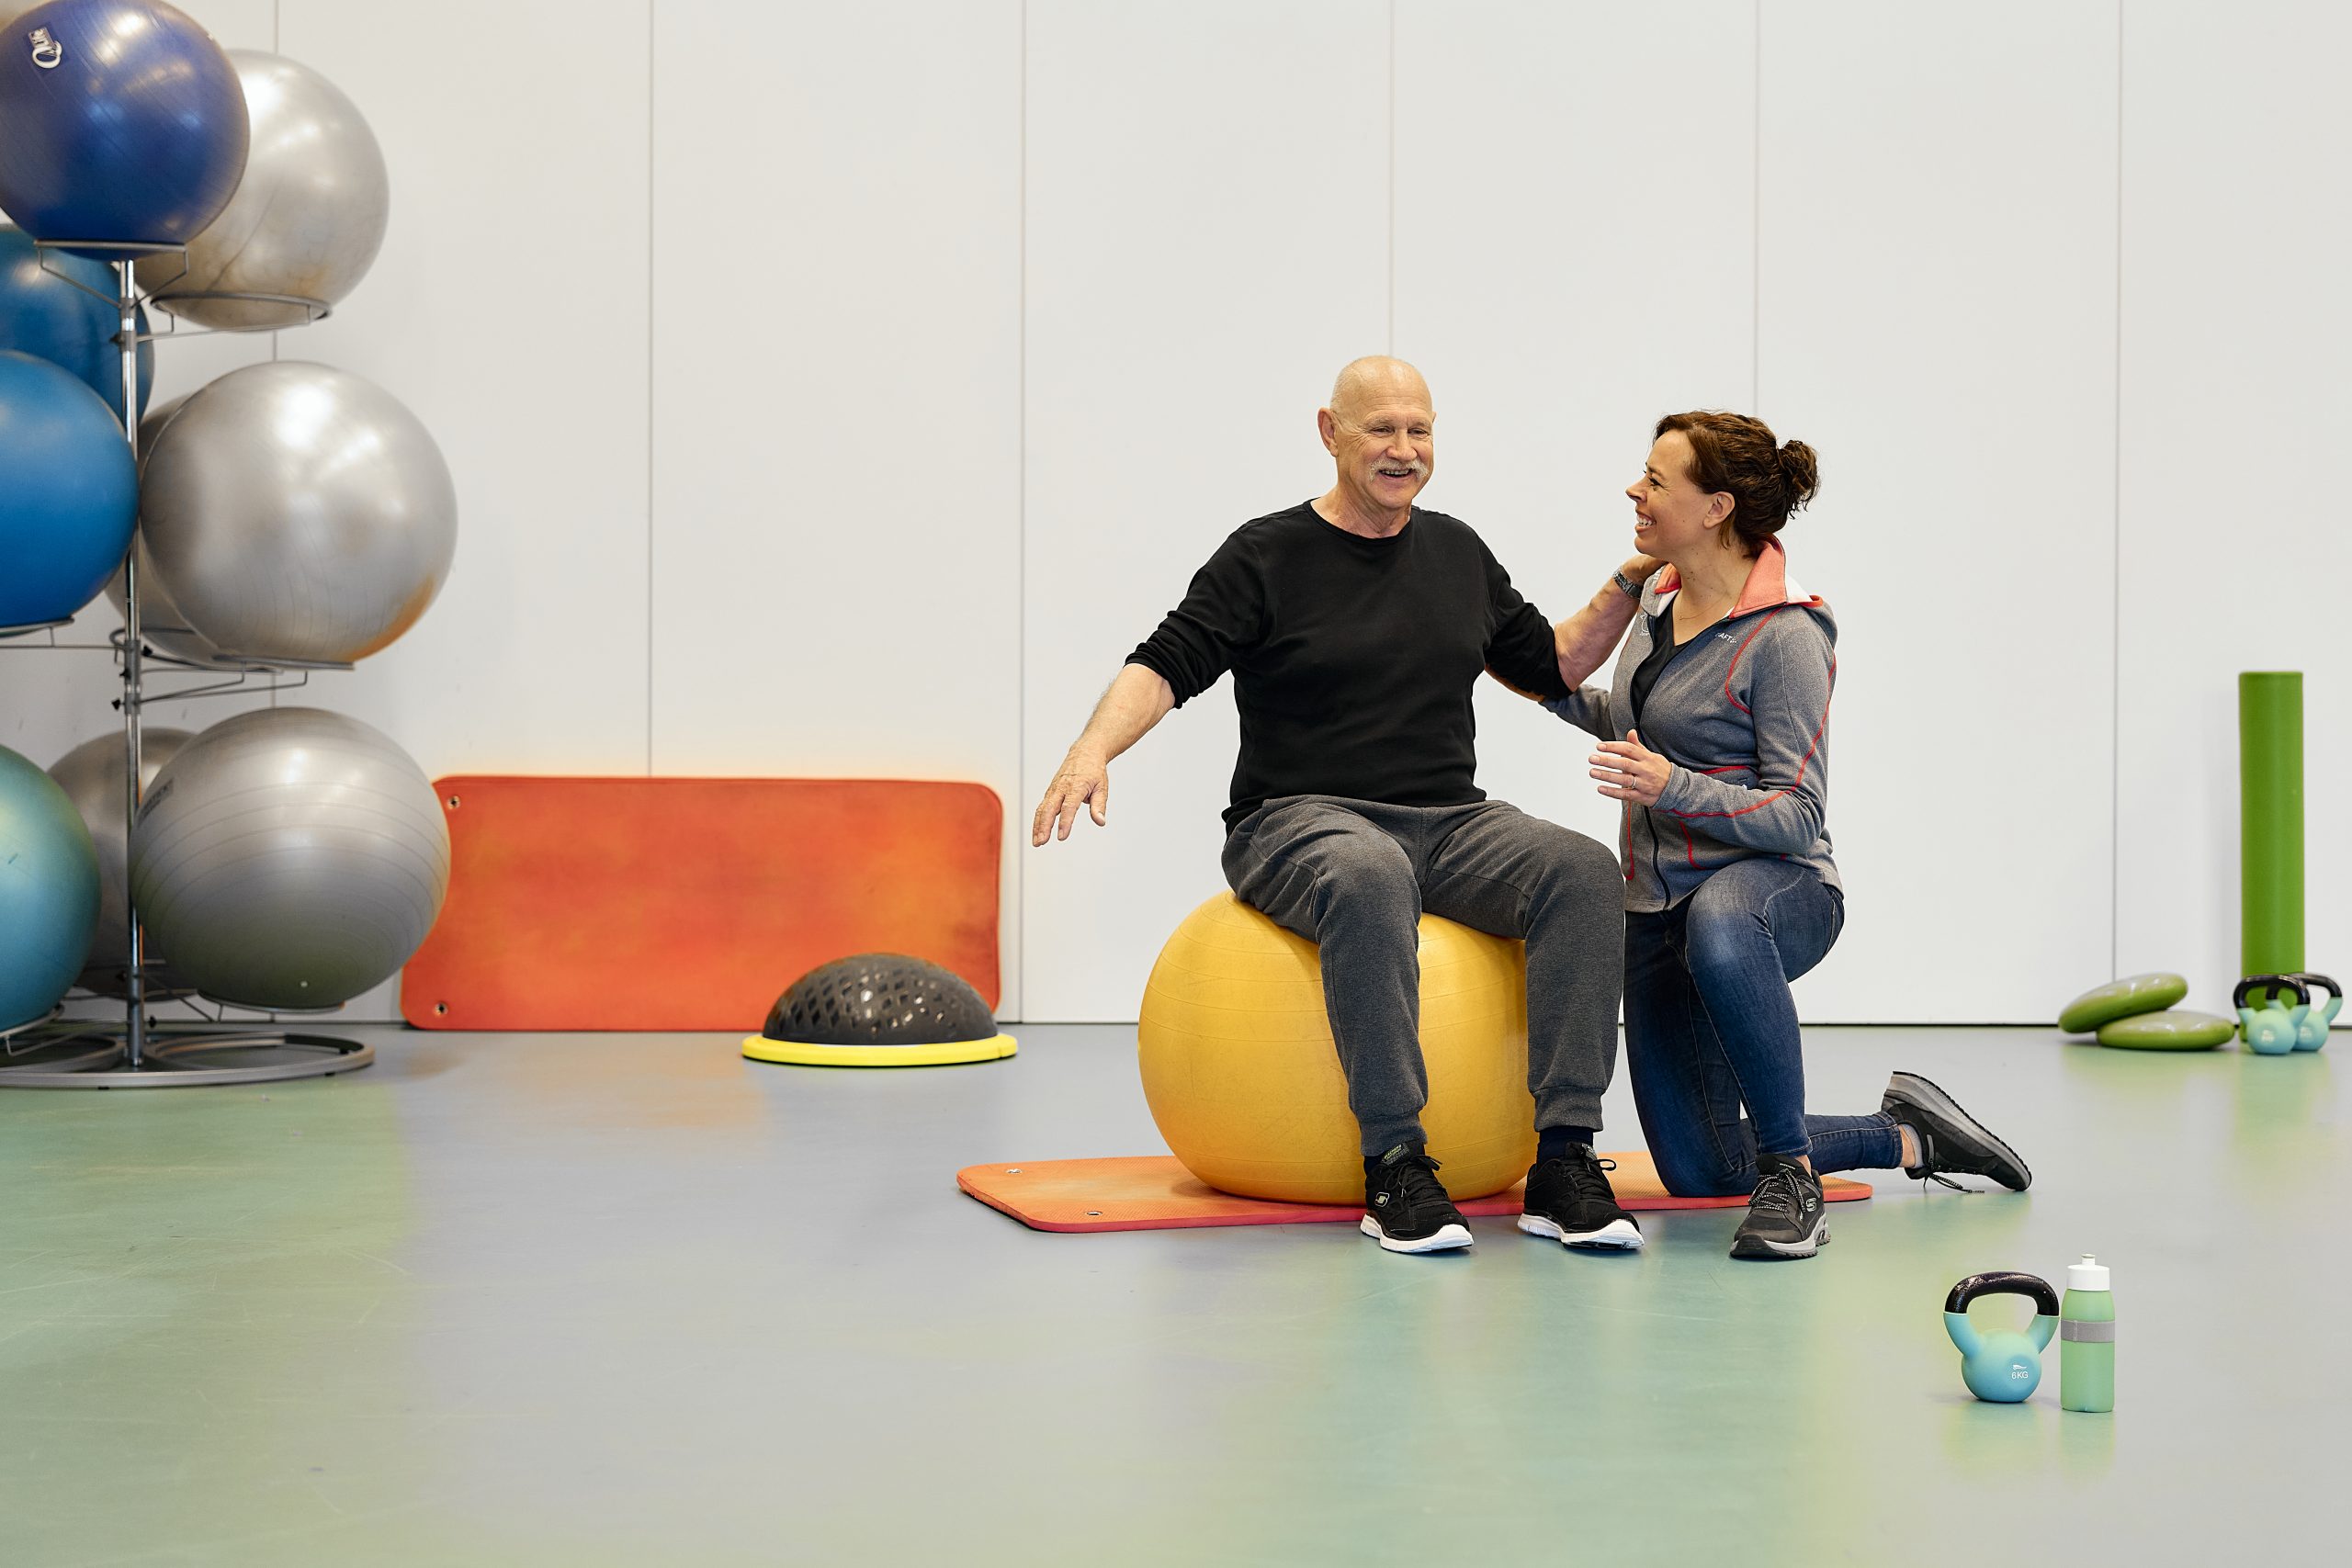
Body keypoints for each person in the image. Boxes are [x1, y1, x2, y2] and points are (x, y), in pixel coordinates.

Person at [1033, 356, 1655, 1255]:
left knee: (1581, 870)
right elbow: (1165, 662)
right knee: (1367, 872)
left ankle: (1563, 1160)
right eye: (1381, 430)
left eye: (1420, 430)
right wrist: (1091, 748)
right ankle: (1396, 1164)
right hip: (1293, 819)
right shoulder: (1267, 554)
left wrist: (1635, 576)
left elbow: (1549, 666)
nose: (1403, 450)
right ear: (1330, 432)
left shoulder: (1456, 553)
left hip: (1447, 822)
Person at [1551, 412, 2030, 1261]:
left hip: (1777, 892)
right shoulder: (1659, 602)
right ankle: (1907, 1134)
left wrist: (1673, 786)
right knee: (1700, 1166)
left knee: (1724, 919)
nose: (1636, 490)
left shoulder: (1787, 638)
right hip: (1660, 908)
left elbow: (1798, 812)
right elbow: (1622, 717)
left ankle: (1793, 1181)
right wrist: (1515, 670)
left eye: (1657, 480)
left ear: (1715, 508)